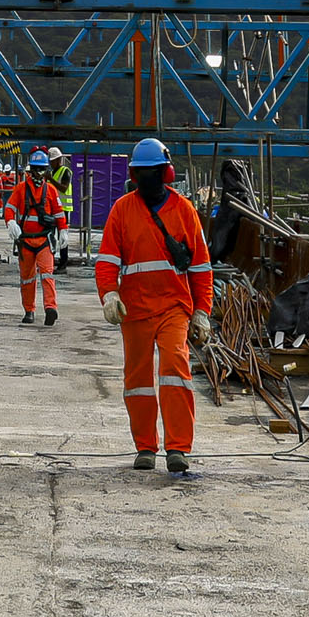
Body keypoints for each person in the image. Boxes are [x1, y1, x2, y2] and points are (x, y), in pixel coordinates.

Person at [94, 137, 214, 476]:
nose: (147, 179)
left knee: (175, 368)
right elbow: (107, 261)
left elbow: (201, 267)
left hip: (173, 306)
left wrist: (202, 311)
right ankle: (145, 447)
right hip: (134, 310)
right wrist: (109, 295)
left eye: (153, 172)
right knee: (138, 380)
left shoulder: (184, 211)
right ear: (135, 175)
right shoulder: (123, 210)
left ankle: (178, 448)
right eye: (142, 173)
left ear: (166, 173)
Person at [12, 150, 64, 325]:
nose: (39, 173)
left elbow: (59, 213)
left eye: (42, 169)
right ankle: (29, 311)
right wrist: (10, 222)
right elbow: (10, 207)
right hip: (26, 240)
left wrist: (63, 230)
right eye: (36, 169)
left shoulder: (50, 190)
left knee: (47, 274)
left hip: (44, 240)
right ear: (31, 169)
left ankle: (50, 308)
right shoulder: (21, 189)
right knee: (27, 278)